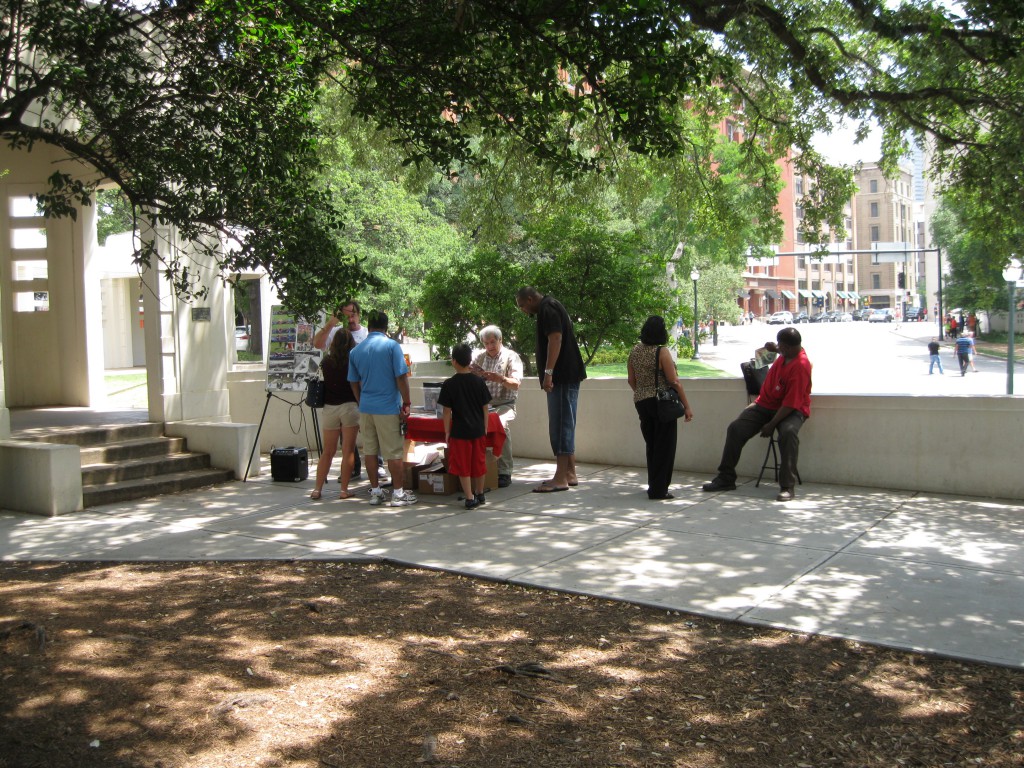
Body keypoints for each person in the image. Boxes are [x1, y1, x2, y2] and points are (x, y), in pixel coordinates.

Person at [702, 327, 812, 502]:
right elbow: (775, 353)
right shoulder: (785, 353)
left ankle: (787, 486)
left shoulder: (800, 366)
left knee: (788, 433)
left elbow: (791, 403)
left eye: (781, 346)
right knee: (736, 428)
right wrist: (774, 349)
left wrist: (771, 424)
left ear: (789, 347)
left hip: (791, 410)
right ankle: (725, 478)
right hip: (766, 404)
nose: (779, 349)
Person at [515, 286, 586, 493]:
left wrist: (548, 373)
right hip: (566, 376)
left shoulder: (548, 308)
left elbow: (556, 339)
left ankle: (560, 478)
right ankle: (570, 473)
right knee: (564, 423)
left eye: (522, 306)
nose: (523, 310)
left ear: (530, 299)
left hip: (561, 377)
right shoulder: (551, 306)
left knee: (561, 425)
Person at [347, 310, 417, 507]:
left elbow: (353, 381)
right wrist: (407, 403)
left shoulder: (356, 351)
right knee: (394, 452)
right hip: (387, 407)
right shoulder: (391, 346)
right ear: (386, 328)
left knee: (370, 451)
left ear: (368, 326)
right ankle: (398, 493)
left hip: (366, 407)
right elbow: (401, 377)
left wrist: (361, 401)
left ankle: (376, 492)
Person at [626, 316, 694, 500]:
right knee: (665, 446)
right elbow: (674, 382)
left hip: (641, 402)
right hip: (661, 403)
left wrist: (643, 393)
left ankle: (653, 484)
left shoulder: (635, 351)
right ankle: (659, 489)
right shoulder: (661, 352)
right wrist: (686, 406)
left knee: (652, 444)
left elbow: (631, 380)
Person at [313, 300, 369, 481]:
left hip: (360, 394)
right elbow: (317, 343)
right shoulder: (336, 333)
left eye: (352, 314)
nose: (350, 318)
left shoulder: (367, 333)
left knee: (367, 433)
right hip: (342, 400)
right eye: (346, 315)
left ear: (359, 314)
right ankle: (349, 477)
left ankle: (323, 486)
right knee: (345, 445)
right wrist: (330, 324)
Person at [439, 343, 493, 509]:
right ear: (470, 361)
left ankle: (469, 497)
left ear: (454, 361)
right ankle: (480, 492)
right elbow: (486, 408)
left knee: (463, 465)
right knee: (479, 462)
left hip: (460, 431)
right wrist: (485, 427)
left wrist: (447, 431)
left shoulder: (449, 384)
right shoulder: (479, 382)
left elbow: (446, 412)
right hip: (478, 429)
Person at [310, 328, 360, 500]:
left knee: (327, 451)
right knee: (348, 450)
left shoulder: (326, 362)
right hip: (350, 406)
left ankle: (317, 489)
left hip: (330, 407)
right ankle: (344, 490)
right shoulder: (353, 361)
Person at [471, 325, 523, 488]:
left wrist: (500, 379)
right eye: (486, 343)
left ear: (500, 340)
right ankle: (474, 468)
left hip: (505, 404)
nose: (490, 346)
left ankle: (504, 472)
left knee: (501, 425)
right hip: (482, 405)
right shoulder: (479, 356)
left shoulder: (511, 356)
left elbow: (516, 385)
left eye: (493, 342)